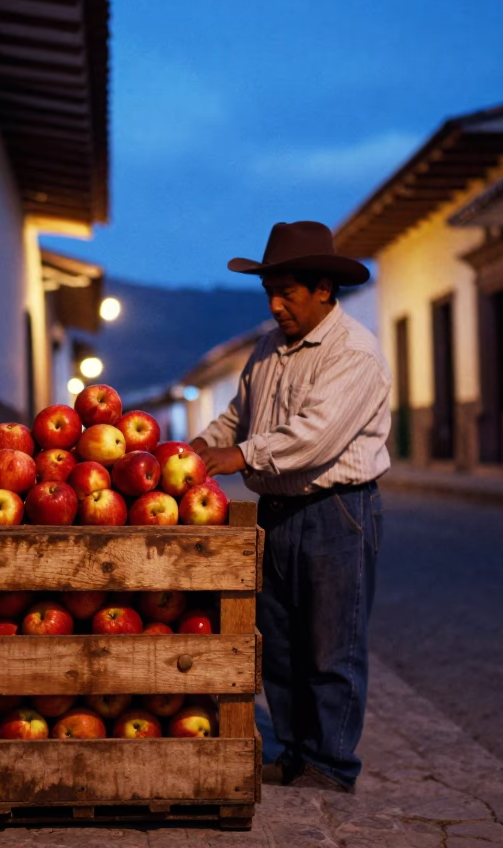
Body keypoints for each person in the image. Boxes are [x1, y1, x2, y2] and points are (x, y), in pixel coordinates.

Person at [190, 220, 391, 793]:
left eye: (289, 294)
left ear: (325, 289)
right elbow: (239, 413)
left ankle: (330, 762)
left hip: (338, 512)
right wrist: (203, 444)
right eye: (270, 294)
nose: (277, 306)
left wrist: (239, 455)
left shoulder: (354, 354)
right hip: (279, 514)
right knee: (277, 644)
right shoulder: (267, 349)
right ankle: (295, 750)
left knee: (332, 646)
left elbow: (315, 437)